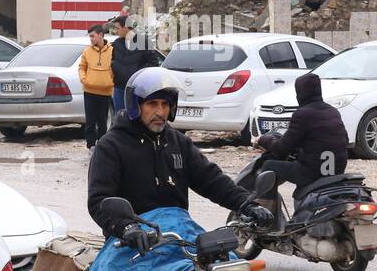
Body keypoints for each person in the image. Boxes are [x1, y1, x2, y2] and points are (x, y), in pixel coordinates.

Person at [88, 66, 275, 249]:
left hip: (178, 234)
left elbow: (211, 179)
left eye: (165, 104)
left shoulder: (178, 142)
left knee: (222, 267)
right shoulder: (111, 146)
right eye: (152, 104)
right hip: (133, 241)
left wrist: (246, 204)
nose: (161, 112)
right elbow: (99, 201)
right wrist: (125, 227)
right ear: (135, 106)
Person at [254, 71, 349, 203]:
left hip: (312, 173)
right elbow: (344, 141)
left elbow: (282, 149)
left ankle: (266, 212)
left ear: (300, 92)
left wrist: (262, 140)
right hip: (336, 172)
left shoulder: (302, 114)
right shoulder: (333, 111)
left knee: (269, 165)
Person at [108, 15, 161, 120]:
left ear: (126, 28)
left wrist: (138, 73)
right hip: (119, 87)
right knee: (119, 118)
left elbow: (153, 62)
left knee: (135, 117)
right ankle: (120, 137)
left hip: (136, 89)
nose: (116, 31)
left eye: (117, 28)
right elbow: (111, 60)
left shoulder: (143, 42)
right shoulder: (117, 43)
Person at [78, 24, 114, 149]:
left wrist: (111, 80)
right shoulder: (87, 51)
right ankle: (91, 146)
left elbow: (115, 68)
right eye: (90, 37)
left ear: (100, 35)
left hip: (105, 91)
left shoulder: (112, 50)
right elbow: (82, 67)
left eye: (93, 36)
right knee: (90, 122)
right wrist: (84, 79)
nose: (91, 39)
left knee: (103, 122)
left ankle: (102, 146)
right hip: (89, 90)